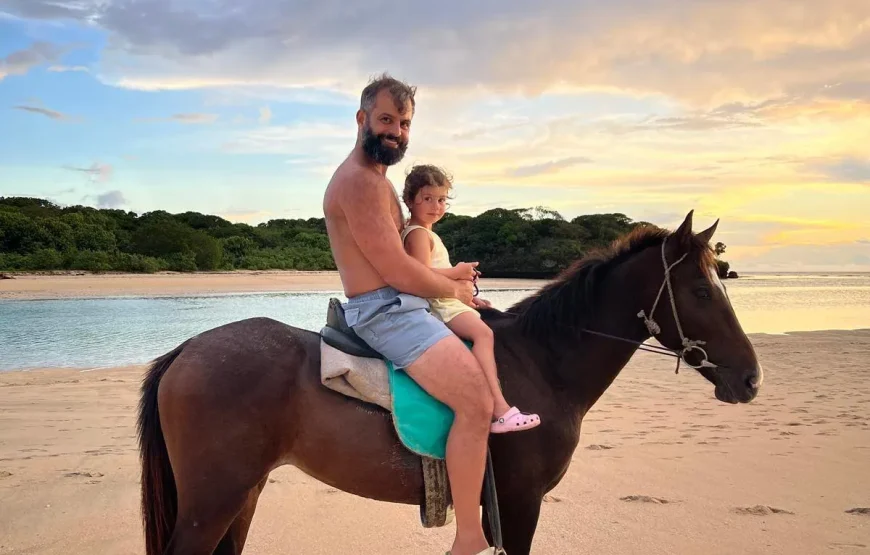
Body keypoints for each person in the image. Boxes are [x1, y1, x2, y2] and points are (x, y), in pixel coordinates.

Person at [322, 73, 497, 555]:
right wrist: (453, 289)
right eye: (386, 120)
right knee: (477, 402)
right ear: (362, 118)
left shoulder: (376, 180)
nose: (395, 132)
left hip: (401, 303)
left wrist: (454, 292)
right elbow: (398, 271)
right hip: (388, 311)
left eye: (404, 124)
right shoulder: (360, 182)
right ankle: (468, 538)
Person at [400, 164, 541, 433]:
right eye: (427, 198)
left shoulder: (426, 232)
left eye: (441, 200)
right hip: (438, 303)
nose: (436, 206)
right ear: (409, 200)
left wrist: (470, 299)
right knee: (483, 334)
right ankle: (500, 408)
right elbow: (419, 273)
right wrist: (458, 272)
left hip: (446, 299)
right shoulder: (417, 233)